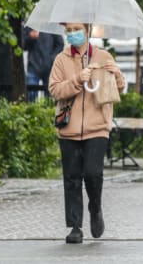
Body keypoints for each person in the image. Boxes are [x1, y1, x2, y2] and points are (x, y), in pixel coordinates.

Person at [48, 22, 125, 244]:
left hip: (97, 127)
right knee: (72, 178)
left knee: (93, 174)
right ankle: (74, 226)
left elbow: (118, 88)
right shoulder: (61, 60)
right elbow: (54, 89)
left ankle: (95, 208)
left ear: (87, 30)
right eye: (69, 30)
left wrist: (117, 74)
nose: (72, 34)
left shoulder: (102, 56)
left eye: (76, 29)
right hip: (69, 129)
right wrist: (77, 80)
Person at [23, 27, 64, 101]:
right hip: (33, 65)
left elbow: (60, 44)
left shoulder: (51, 26)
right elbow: (23, 45)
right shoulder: (30, 27)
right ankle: (31, 109)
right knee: (31, 91)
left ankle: (47, 110)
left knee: (49, 94)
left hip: (49, 66)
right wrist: (30, 38)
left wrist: (51, 58)